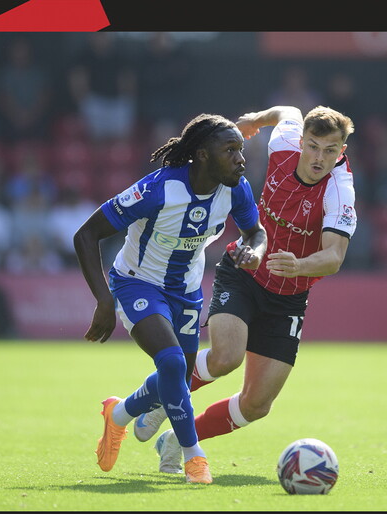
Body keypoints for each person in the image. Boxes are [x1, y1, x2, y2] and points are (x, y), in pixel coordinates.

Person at [132, 105, 357, 475]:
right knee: (226, 356)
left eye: (330, 151)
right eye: (313, 147)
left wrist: (298, 266)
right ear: (301, 140)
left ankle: (175, 440)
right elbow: (287, 111)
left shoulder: (340, 190)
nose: (319, 158)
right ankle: (159, 401)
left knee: (256, 405)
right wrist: (256, 119)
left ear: (341, 152)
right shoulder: (284, 140)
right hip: (245, 270)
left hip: (289, 296)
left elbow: (334, 256)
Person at [72, 113, 267, 484]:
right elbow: (86, 234)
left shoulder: (235, 188)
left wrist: (254, 252)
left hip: (187, 291)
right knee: (174, 365)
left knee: (176, 378)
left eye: (241, 150)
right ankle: (195, 459)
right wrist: (104, 300)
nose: (241, 159)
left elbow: (255, 232)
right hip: (137, 283)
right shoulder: (157, 189)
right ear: (203, 155)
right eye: (230, 150)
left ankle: (118, 414)